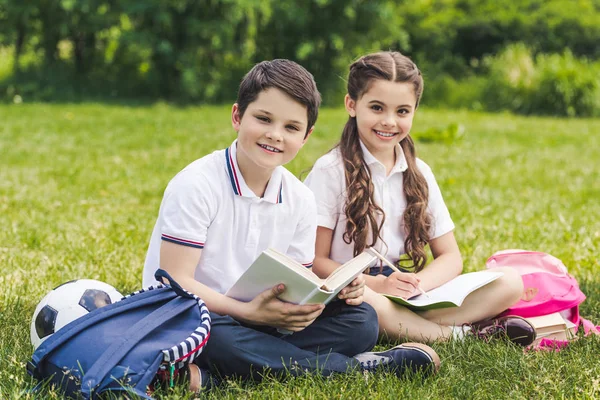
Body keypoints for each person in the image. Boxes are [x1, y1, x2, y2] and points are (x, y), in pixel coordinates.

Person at [142, 59, 440, 393]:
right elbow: (176, 281)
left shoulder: (299, 197)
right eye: (264, 119)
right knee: (220, 339)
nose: (274, 135)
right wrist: (247, 312)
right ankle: (352, 369)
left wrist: (340, 290)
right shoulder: (197, 184)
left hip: (263, 319)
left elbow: (298, 280)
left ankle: (214, 376)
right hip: (194, 317)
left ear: (306, 135)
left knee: (362, 322)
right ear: (237, 116)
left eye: (291, 127)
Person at [304, 51, 535, 346]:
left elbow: (450, 257)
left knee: (509, 282)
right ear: (352, 105)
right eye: (376, 107)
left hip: (407, 293)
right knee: (370, 306)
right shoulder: (331, 171)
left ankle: (409, 324)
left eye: (402, 111)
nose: (389, 121)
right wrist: (380, 285)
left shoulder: (419, 173)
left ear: (414, 111)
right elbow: (315, 261)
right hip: (353, 292)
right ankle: (464, 337)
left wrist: (414, 285)